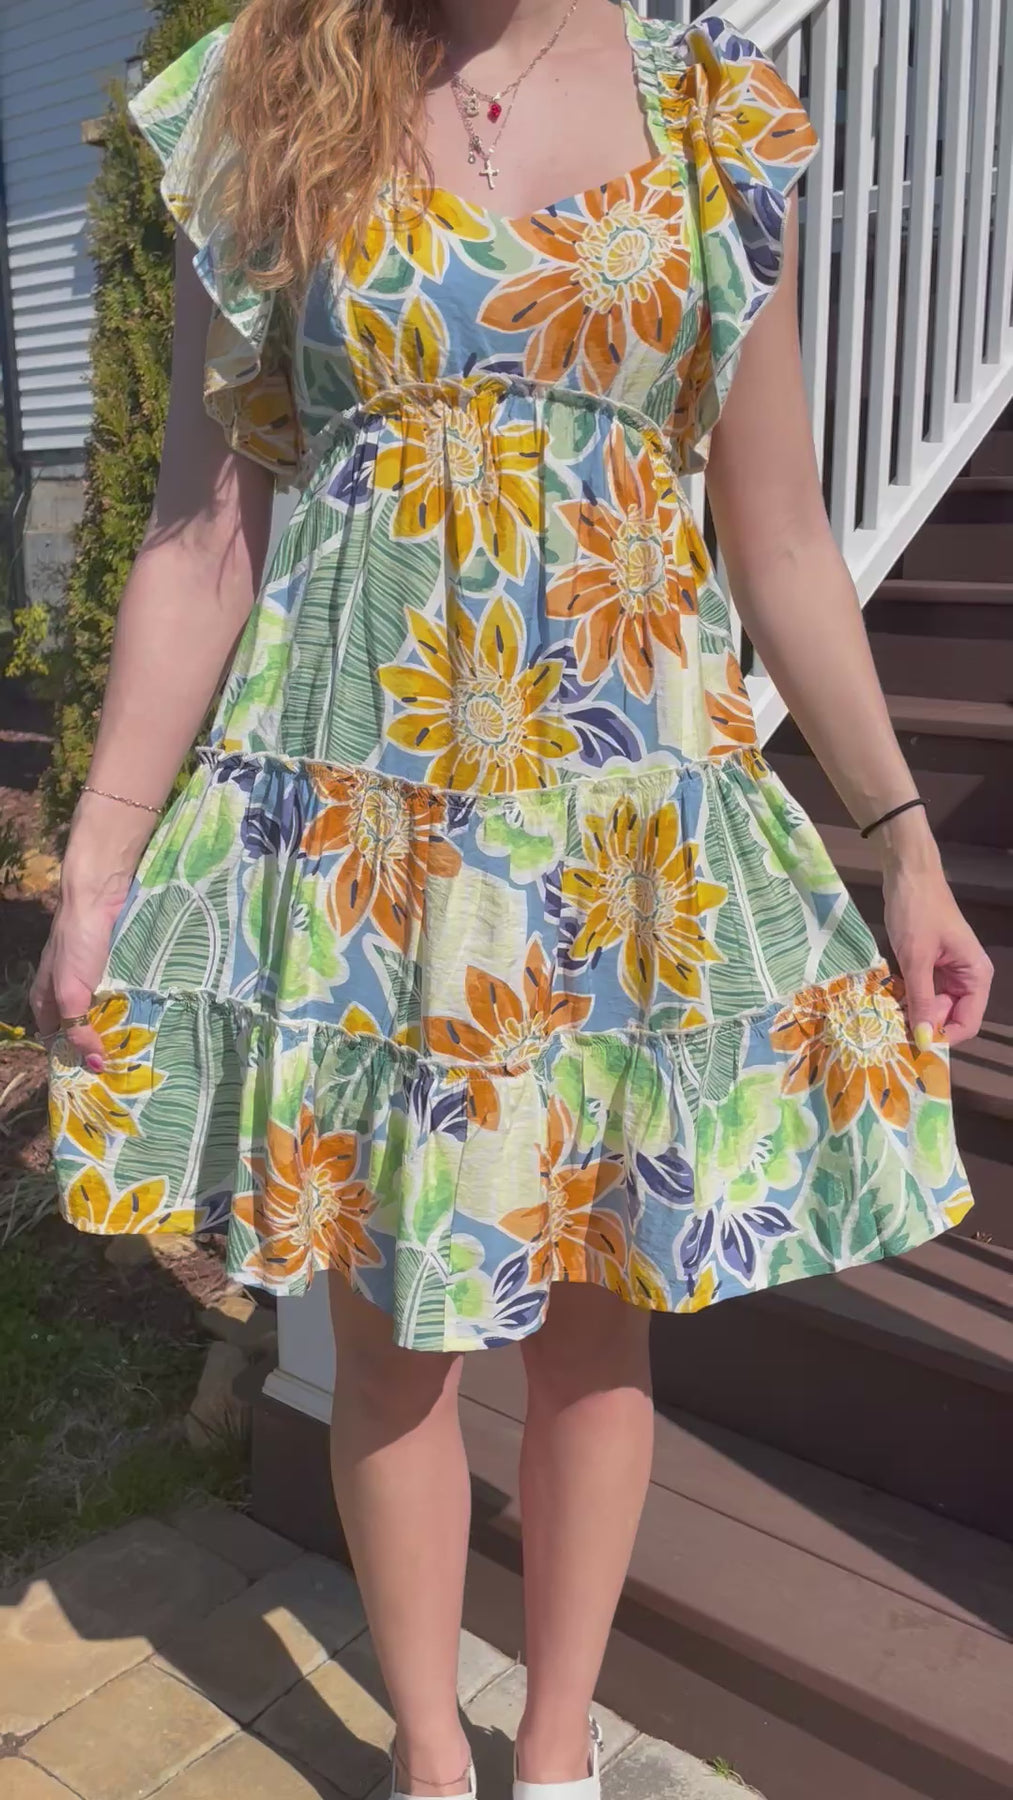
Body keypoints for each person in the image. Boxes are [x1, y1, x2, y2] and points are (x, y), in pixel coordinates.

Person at [35, 2, 991, 1795]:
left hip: (614, 838)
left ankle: (552, 1755)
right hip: (367, 826)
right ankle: (430, 1756)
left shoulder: (714, 116)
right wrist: (97, 859)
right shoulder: (266, 92)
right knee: (388, 1331)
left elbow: (779, 530)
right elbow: (203, 526)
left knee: (593, 1315)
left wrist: (903, 840)